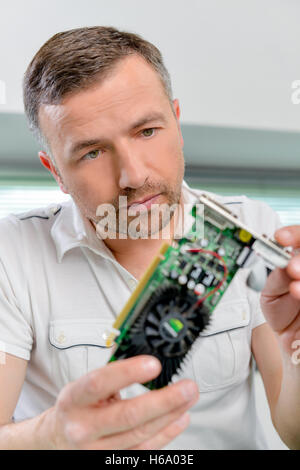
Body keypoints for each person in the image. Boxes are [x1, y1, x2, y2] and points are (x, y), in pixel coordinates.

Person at [0, 26, 299, 450]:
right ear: (55, 172)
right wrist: (49, 435)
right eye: (92, 153)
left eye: (147, 132)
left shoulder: (250, 227)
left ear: (176, 121)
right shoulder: (11, 256)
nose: (133, 175)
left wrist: (296, 353)